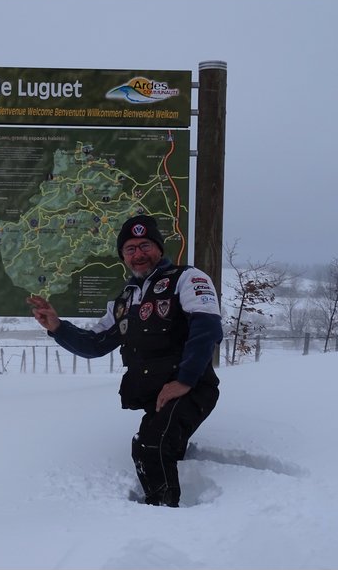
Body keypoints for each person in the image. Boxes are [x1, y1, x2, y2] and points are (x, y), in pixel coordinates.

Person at [26, 214, 222, 507]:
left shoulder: (188, 279)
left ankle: (164, 516)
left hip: (191, 388)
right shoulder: (125, 300)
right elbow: (95, 344)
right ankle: (168, 500)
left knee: (151, 446)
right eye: (130, 249)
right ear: (123, 256)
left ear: (159, 248)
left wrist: (183, 381)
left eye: (145, 245)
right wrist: (57, 327)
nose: (138, 254)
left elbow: (207, 330)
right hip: (155, 394)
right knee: (156, 445)